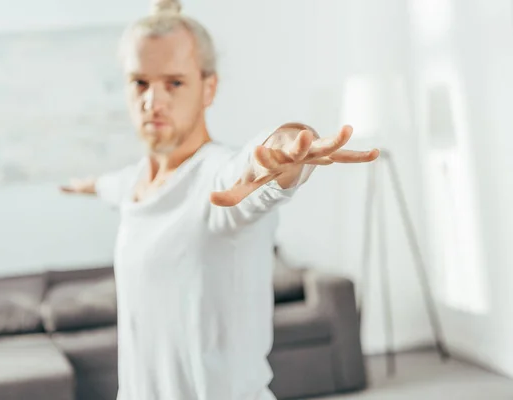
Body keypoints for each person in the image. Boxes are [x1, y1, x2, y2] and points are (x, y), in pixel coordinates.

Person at [61, 0, 379, 399]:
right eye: (140, 82)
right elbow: (107, 185)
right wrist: (83, 185)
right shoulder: (132, 182)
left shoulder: (217, 179)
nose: (152, 101)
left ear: (208, 87)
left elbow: (250, 168)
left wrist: (282, 150)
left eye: (174, 82)